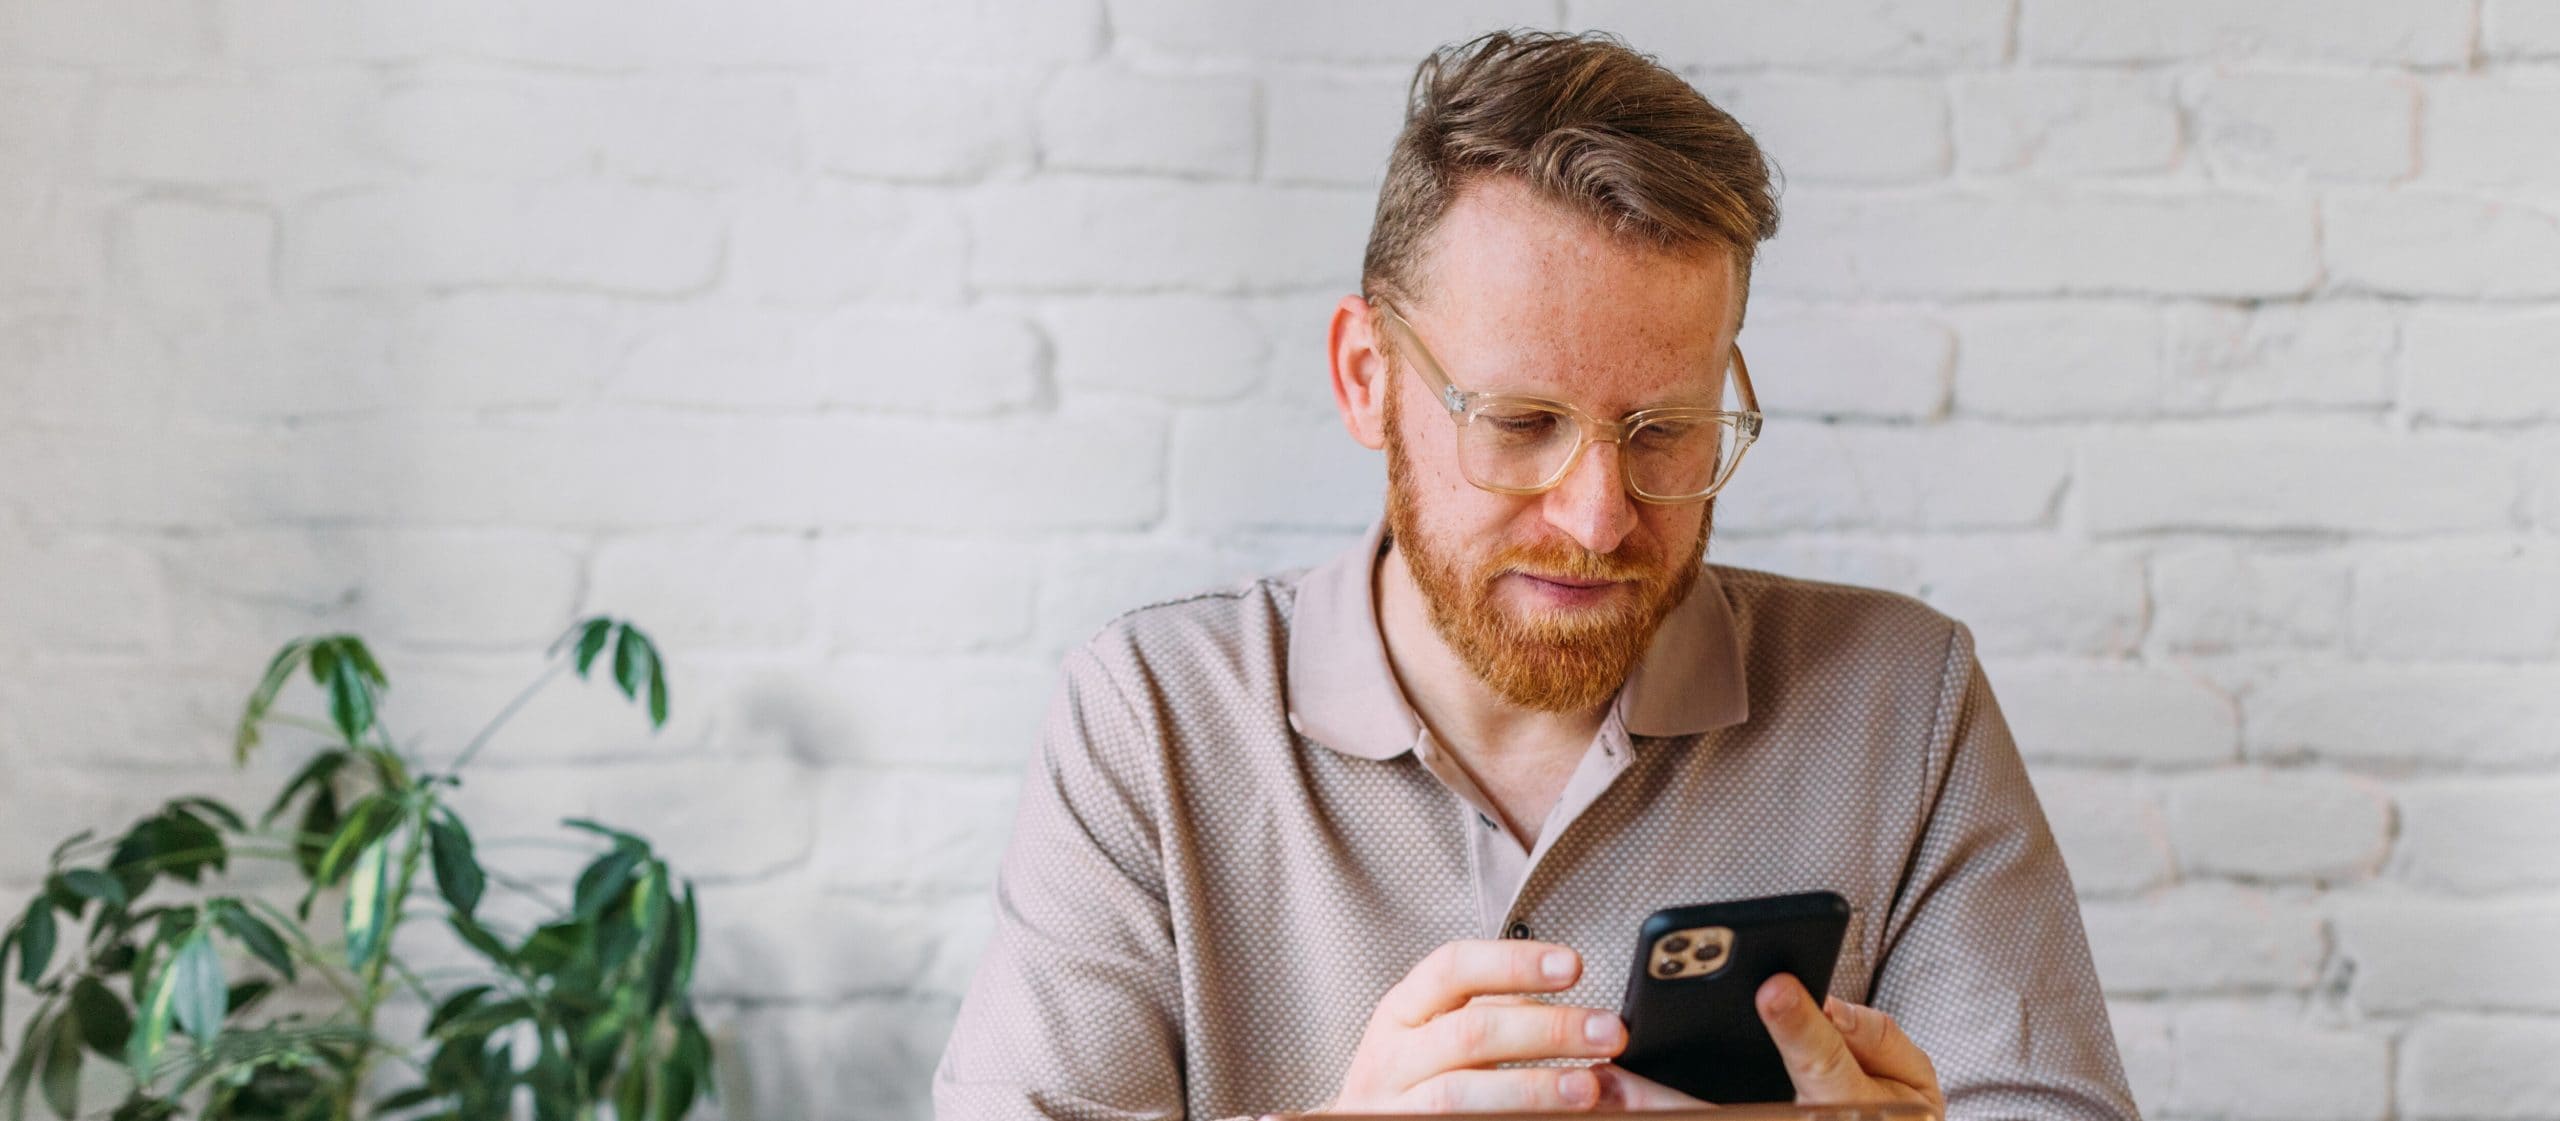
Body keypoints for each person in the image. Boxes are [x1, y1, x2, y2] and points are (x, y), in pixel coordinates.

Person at [935, 28, 2138, 1121]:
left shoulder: (1901, 703)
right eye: (1518, 421)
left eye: (1665, 430)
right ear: (1367, 377)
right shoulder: (1151, 720)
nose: (1599, 516)